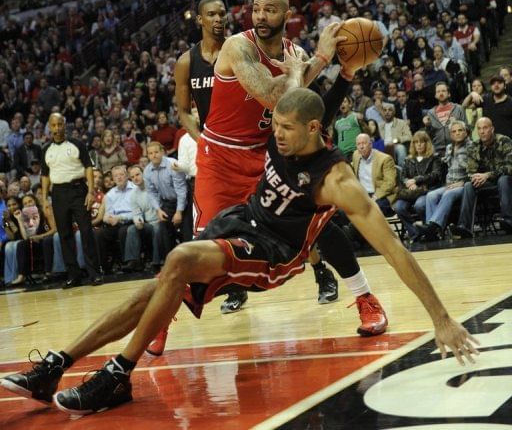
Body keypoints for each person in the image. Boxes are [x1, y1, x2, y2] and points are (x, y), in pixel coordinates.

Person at [0, 88, 479, 416]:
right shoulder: (284, 123)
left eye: (290, 129)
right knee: (156, 286)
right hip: (243, 222)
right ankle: (57, 366)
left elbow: (396, 250)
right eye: (279, 126)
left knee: (179, 259)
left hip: (274, 254)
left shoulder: (337, 180)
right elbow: (297, 77)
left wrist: (440, 317)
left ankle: (120, 374)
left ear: (315, 128)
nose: (279, 134)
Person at [192, 0, 387, 337]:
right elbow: (271, 95)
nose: (261, 16)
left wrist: (343, 71)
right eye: (256, 10)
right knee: (200, 252)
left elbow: (303, 107)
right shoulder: (238, 45)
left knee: (319, 222)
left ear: (287, 14)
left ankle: (365, 298)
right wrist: (323, 61)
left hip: (266, 152)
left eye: (270, 10)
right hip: (221, 157)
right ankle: (160, 319)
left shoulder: (294, 55)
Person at [41, 113, 102, 288]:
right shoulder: (46, 149)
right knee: (65, 234)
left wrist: (90, 191)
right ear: (50, 127)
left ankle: (94, 273)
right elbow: (45, 175)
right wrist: (45, 199)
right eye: (53, 125)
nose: (57, 128)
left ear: (64, 125)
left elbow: (88, 167)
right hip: (58, 193)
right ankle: (73, 275)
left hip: (78, 190)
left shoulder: (77, 144)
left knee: (86, 231)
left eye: (60, 124)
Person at [451, 117, 512, 238]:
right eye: (479, 129)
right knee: (469, 185)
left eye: (485, 128)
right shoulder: (474, 146)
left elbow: (510, 166)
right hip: (488, 183)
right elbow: (470, 172)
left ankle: (508, 221)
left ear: (492, 129)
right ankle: (464, 227)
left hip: (507, 182)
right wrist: (475, 177)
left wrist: (488, 175)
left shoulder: (504, 141)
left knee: (503, 179)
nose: (482, 131)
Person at [416, 120, 472, 241]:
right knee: (431, 195)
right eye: (454, 131)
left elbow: (475, 169)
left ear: (466, 132)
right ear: (450, 135)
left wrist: (462, 182)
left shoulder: (471, 146)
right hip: (449, 184)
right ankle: (432, 233)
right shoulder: (449, 147)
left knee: (448, 193)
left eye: (460, 130)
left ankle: (434, 226)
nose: (457, 133)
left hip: (464, 184)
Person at [393, 131, 444, 241]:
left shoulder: (434, 158)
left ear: (427, 143)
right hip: (410, 192)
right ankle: (416, 232)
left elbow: (435, 175)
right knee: (398, 207)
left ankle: (429, 231)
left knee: (419, 205)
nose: (419, 145)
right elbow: (403, 177)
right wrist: (408, 182)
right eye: (416, 142)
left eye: (422, 142)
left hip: (426, 190)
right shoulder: (408, 159)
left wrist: (416, 180)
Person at [352, 133, 397, 217]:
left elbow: (390, 183)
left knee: (368, 210)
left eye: (364, 143)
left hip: (381, 195)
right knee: (345, 208)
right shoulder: (356, 155)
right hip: (363, 195)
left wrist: (375, 197)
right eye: (359, 144)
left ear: (370, 144)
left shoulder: (385, 159)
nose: (361, 147)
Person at [423, 82, 467, 155]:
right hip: (438, 151)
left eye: (443, 91)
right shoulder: (430, 113)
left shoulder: (458, 108)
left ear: (449, 94)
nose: (441, 93)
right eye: (438, 91)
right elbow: (429, 136)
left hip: (458, 148)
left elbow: (467, 129)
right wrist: (427, 125)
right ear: (435, 95)